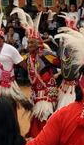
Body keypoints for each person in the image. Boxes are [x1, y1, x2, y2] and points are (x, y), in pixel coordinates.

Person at [17, 10, 59, 138]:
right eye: (28, 42)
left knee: (44, 112)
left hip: (46, 87)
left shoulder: (45, 54)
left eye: (32, 43)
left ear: (38, 43)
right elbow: (17, 62)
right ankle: (36, 134)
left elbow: (59, 63)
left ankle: (46, 136)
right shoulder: (27, 57)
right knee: (36, 112)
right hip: (35, 89)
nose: (29, 45)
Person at [0, 13, 31, 110]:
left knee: (9, 110)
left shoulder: (10, 49)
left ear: (2, 39)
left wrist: (34, 75)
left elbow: (24, 65)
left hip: (7, 87)